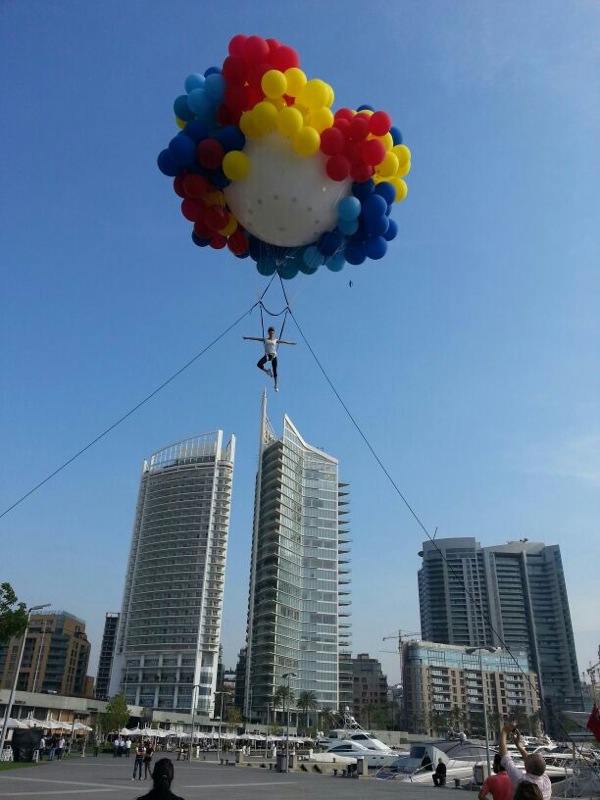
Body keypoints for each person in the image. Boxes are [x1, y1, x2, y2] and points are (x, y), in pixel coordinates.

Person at [499, 723, 551, 800]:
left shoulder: (521, 780)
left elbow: (505, 757)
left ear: (529, 768)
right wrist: (518, 745)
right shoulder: (546, 780)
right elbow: (531, 761)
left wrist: (504, 732)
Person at [243, 327, 296, 392]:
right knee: (258, 364)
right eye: (270, 333)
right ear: (268, 333)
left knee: (275, 370)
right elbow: (256, 338)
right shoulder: (265, 339)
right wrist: (247, 338)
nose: (271, 334)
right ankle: (267, 371)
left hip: (274, 356)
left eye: (272, 333)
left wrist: (290, 343)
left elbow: (284, 342)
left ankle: (276, 385)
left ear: (274, 333)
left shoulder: (275, 340)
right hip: (267, 355)